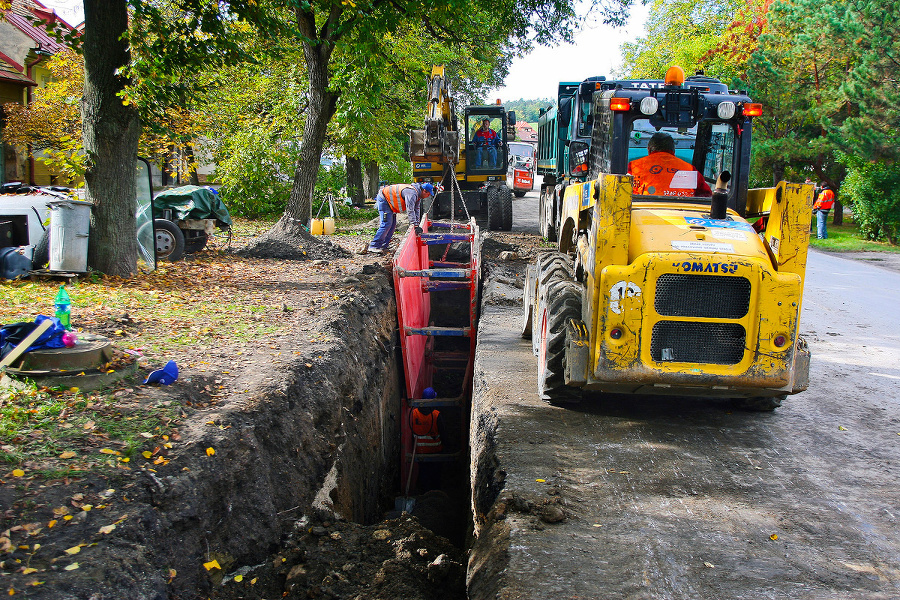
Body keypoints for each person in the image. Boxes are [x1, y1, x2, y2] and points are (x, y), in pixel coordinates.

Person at [628, 132, 712, 197]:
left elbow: (622, 190)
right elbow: (706, 195)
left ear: (649, 149)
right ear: (673, 150)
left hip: (643, 212)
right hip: (681, 214)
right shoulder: (689, 168)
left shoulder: (633, 166)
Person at [366, 182, 433, 254]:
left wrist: (417, 225)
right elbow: (410, 210)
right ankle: (374, 246)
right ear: (424, 191)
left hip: (390, 203)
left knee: (393, 225)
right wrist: (415, 225)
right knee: (387, 224)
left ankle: (383, 246)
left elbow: (416, 209)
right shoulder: (412, 193)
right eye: (428, 194)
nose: (428, 196)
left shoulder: (418, 196)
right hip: (384, 200)